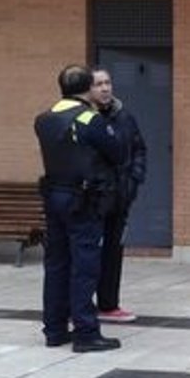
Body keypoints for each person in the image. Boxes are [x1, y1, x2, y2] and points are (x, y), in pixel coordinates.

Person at [33, 64, 125, 352]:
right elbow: (118, 151)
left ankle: (55, 329)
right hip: (83, 201)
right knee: (84, 265)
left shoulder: (44, 119)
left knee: (57, 263)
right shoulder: (90, 119)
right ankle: (86, 331)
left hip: (54, 196)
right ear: (87, 88)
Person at [90, 67, 147, 324]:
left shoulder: (125, 117)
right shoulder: (86, 119)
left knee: (113, 252)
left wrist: (134, 181)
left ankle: (109, 304)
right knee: (88, 253)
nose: (105, 88)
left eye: (108, 82)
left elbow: (139, 150)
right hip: (92, 199)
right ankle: (79, 305)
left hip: (120, 197)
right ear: (87, 90)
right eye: (98, 84)